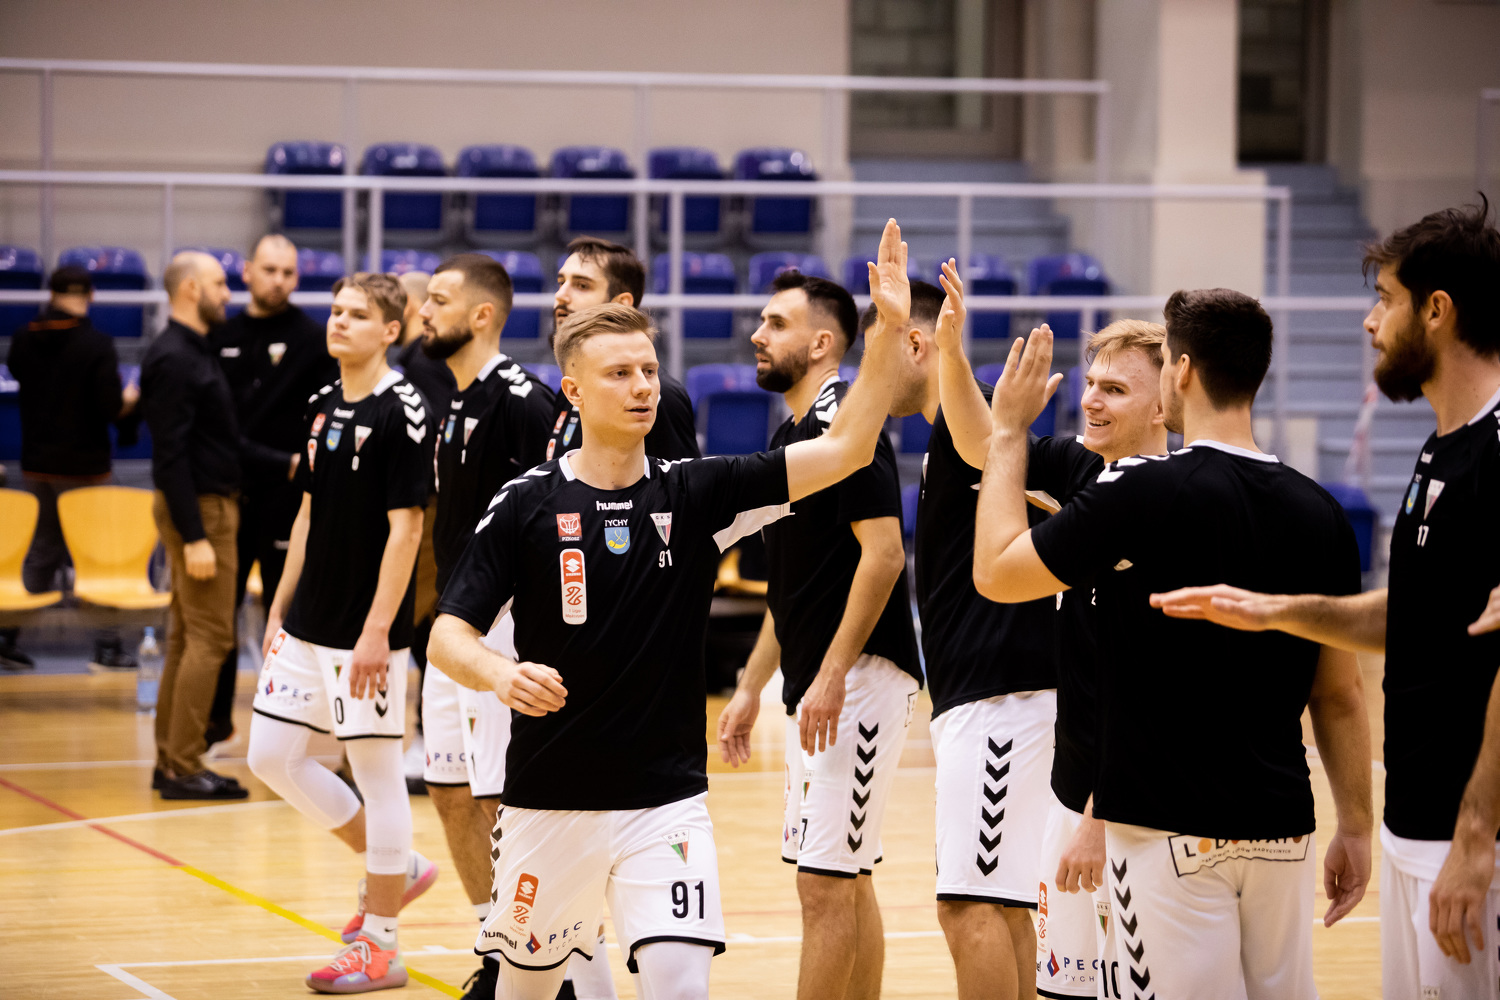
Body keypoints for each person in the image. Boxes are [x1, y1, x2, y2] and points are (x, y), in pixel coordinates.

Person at [426, 220, 914, 1000]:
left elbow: (848, 448)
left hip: (667, 803)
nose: (643, 387)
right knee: (524, 990)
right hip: (549, 800)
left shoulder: (695, 491)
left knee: (680, 986)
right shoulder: (526, 503)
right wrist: (498, 673)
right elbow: (448, 636)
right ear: (574, 391)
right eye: (620, 373)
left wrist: (886, 329)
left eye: (650, 370)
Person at [968, 293, 1373, 999]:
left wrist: (1007, 433)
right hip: (1283, 825)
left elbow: (997, 573)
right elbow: (1339, 695)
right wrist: (1358, 827)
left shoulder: (1141, 492)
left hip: (1165, 828)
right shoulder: (1324, 513)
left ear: (1180, 372)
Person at [1150, 201, 1500, 997]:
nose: (1372, 323)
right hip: (1417, 821)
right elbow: (1415, 615)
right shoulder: (1441, 448)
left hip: (1472, 838)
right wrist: (1275, 611)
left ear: (1438, 311)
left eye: (1386, 300)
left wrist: (1479, 833)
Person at [877, 269, 1105, 1000]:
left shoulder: (977, 430)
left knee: (969, 905)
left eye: (881, 342)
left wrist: (952, 353)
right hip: (989, 700)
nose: (869, 365)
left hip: (1001, 700)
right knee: (1000, 904)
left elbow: (986, 439)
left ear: (916, 344)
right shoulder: (956, 439)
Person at [717, 269, 920, 1000]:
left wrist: (835, 673)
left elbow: (886, 554)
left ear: (823, 343)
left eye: (777, 323)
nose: (757, 335)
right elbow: (791, 589)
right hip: (819, 679)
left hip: (859, 676)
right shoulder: (792, 436)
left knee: (825, 883)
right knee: (846, 877)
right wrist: (751, 688)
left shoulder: (847, 424)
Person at [246, 271, 438, 994]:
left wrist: (378, 631)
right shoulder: (322, 401)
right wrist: (278, 605)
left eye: (357, 314)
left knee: (377, 775)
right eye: (335, 310)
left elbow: (407, 530)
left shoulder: (404, 410)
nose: (339, 321)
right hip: (306, 622)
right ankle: (399, 867)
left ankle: (381, 945)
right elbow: (306, 514)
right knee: (272, 756)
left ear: (391, 330)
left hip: (366, 630)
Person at [411, 254, 593, 1000]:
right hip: (453, 625)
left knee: (497, 799)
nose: (424, 311)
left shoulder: (522, 400)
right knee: (448, 788)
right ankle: (495, 944)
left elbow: (557, 513)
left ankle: (536, 961)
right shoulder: (455, 398)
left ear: (482, 314)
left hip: (504, 628)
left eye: (438, 299)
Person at [208, 235, 337, 747]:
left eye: (287, 272)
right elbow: (214, 428)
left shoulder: (313, 338)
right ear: (247, 272)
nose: (278, 280)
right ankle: (214, 725)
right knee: (220, 615)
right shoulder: (221, 335)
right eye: (269, 269)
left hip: (287, 500)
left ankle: (288, 720)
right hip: (228, 494)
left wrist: (294, 466)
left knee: (286, 612)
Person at [140, 251, 247, 800]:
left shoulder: (192, 349)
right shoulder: (176, 358)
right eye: (219, 283)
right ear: (189, 289)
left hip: (205, 505)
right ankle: (183, 765)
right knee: (211, 637)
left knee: (188, 636)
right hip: (201, 510)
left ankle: (171, 760)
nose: (228, 293)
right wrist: (196, 536)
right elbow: (170, 457)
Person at [4, 265, 140, 672]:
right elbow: (110, 408)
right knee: (100, 555)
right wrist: (132, 398)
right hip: (85, 469)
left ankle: (6, 637)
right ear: (91, 296)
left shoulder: (23, 338)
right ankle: (108, 647)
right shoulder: (97, 345)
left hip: (37, 466)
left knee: (43, 551)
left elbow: (21, 375)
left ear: (51, 294)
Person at [547, 236, 699, 462]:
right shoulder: (572, 386)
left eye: (582, 285)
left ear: (621, 303)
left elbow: (681, 482)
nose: (561, 295)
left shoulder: (660, 398)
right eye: (561, 283)